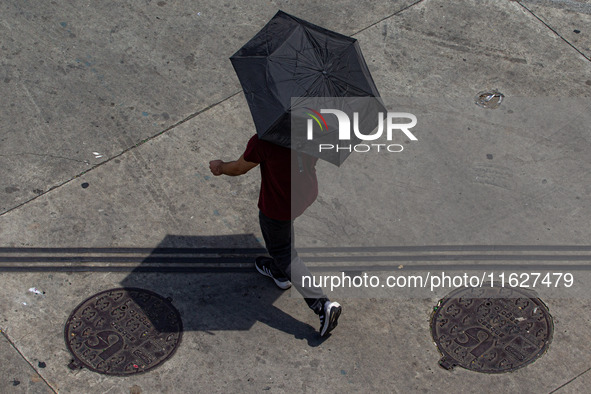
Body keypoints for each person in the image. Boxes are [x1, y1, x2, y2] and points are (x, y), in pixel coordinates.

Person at [209, 134, 341, 337]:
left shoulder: (264, 141)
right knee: (282, 239)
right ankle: (279, 273)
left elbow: (238, 168)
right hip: (305, 192)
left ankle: (322, 305)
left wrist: (220, 167)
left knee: (283, 251)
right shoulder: (314, 128)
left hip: (278, 205)